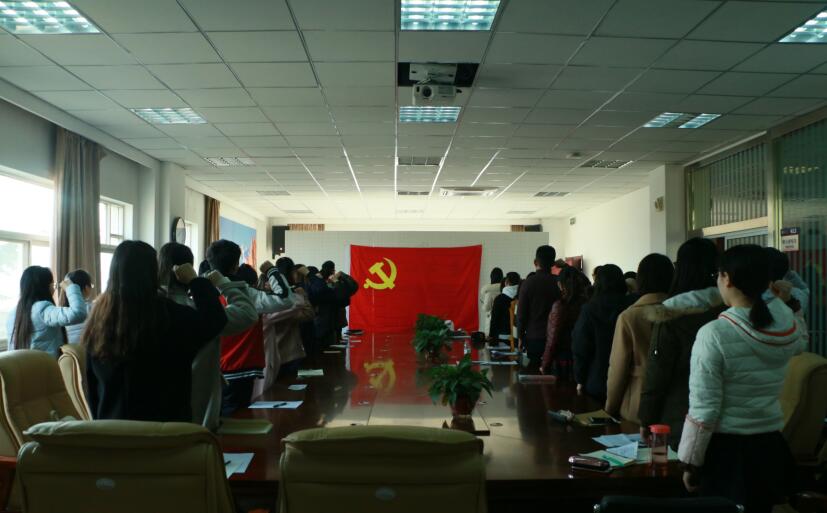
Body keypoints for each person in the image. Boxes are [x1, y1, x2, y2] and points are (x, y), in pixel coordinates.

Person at [679, 244, 806, 513]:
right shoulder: (787, 327)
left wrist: (690, 462)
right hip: (770, 446)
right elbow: (800, 338)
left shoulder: (713, 333)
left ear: (726, 278)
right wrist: (785, 302)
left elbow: (705, 408)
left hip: (726, 453)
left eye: (718, 275)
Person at [84, 240, 227, 422]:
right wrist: (195, 281)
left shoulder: (98, 322)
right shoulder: (173, 316)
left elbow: (92, 389)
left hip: (113, 430)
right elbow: (215, 320)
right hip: (167, 431)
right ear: (154, 272)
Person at [158, 242, 257, 431]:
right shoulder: (201, 310)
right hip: (199, 407)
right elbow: (247, 314)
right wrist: (223, 283)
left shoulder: (146, 309)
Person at [638, 238, 722, 445]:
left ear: (681, 269)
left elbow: (657, 375)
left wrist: (646, 419)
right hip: (726, 417)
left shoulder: (670, 315)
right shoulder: (730, 311)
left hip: (680, 417)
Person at [206, 239, 295, 416]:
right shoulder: (245, 293)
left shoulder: (200, 292)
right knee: (237, 419)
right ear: (235, 266)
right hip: (241, 366)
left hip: (210, 368)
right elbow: (285, 299)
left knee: (213, 418)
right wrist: (271, 270)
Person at [605, 254, 674, 423]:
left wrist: (610, 408)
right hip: (674, 401)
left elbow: (618, 369)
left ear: (640, 280)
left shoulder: (629, 317)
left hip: (637, 400)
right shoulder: (681, 312)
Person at [257, 257, 315, 392]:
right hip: (286, 353)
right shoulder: (289, 299)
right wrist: (300, 295)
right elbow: (308, 314)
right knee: (286, 393)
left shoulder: (262, 298)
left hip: (272, 355)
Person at [572, 264, 628, 400]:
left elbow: (581, 346)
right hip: (627, 379)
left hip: (597, 378)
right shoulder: (630, 305)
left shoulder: (590, 309)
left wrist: (580, 378)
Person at [6, 266, 87, 358]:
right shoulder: (43, 309)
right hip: (46, 365)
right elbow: (78, 313)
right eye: (53, 285)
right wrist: (71, 288)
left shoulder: (11, 314)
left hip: (22, 366)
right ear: (44, 287)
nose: (53, 289)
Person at [542, 266, 590, 380]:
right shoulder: (588, 304)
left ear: (561, 284)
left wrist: (545, 364)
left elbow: (552, 339)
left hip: (563, 359)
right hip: (584, 359)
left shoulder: (561, 306)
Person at [517, 245, 562, 364]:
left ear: (535, 262)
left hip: (534, 337)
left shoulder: (528, 283)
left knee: (534, 370)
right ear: (553, 263)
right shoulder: (559, 282)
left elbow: (521, 314)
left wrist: (520, 336)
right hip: (557, 337)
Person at [60, 269, 94, 344]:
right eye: (91, 286)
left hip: (67, 351)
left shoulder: (60, 312)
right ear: (86, 288)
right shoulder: (93, 308)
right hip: (87, 349)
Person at [488, 271, 520, 344]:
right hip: (518, 338)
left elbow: (494, 320)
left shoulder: (499, 299)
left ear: (507, 282)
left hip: (502, 337)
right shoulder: (521, 297)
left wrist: (491, 336)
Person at [480, 267, 504, 333]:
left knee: (491, 338)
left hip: (492, 319)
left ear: (491, 277)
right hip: (504, 319)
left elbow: (486, 308)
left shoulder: (489, 292)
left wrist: (483, 305)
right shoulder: (504, 289)